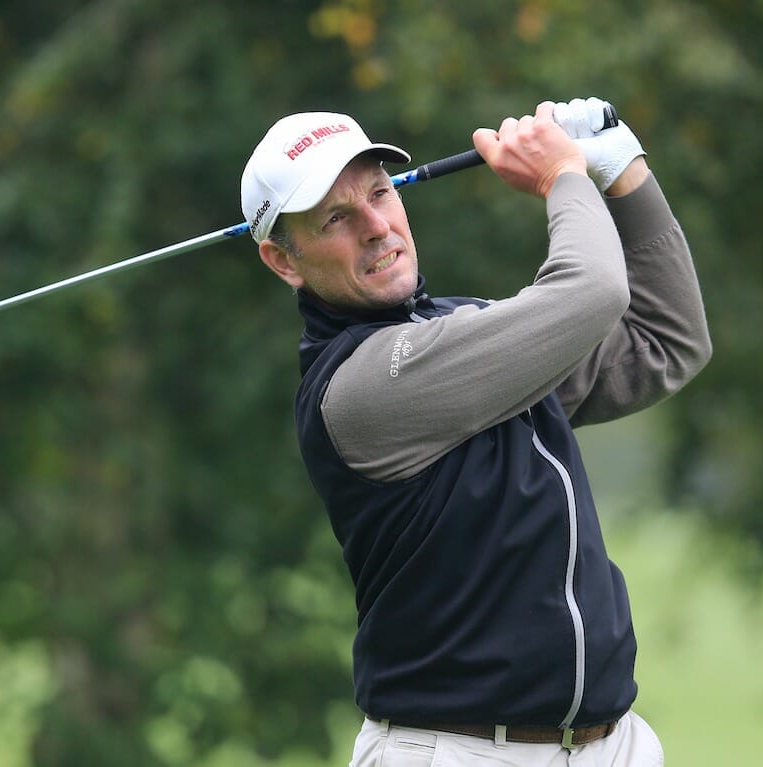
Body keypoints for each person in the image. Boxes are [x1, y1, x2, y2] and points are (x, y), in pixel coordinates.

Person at [239, 98, 711, 767]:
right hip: (459, 751)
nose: (375, 226)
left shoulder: (459, 326)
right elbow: (592, 292)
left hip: (611, 744)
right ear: (283, 261)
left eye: (379, 193)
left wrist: (625, 174)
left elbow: (664, 343)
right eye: (335, 218)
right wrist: (564, 176)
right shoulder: (359, 386)